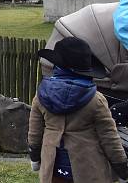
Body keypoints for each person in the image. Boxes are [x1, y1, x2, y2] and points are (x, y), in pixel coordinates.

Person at [28, 36, 128, 183]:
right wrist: (121, 168)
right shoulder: (96, 100)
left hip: (53, 167)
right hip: (88, 169)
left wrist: (35, 158)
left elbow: (35, 132)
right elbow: (109, 137)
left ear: (58, 66)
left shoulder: (42, 95)